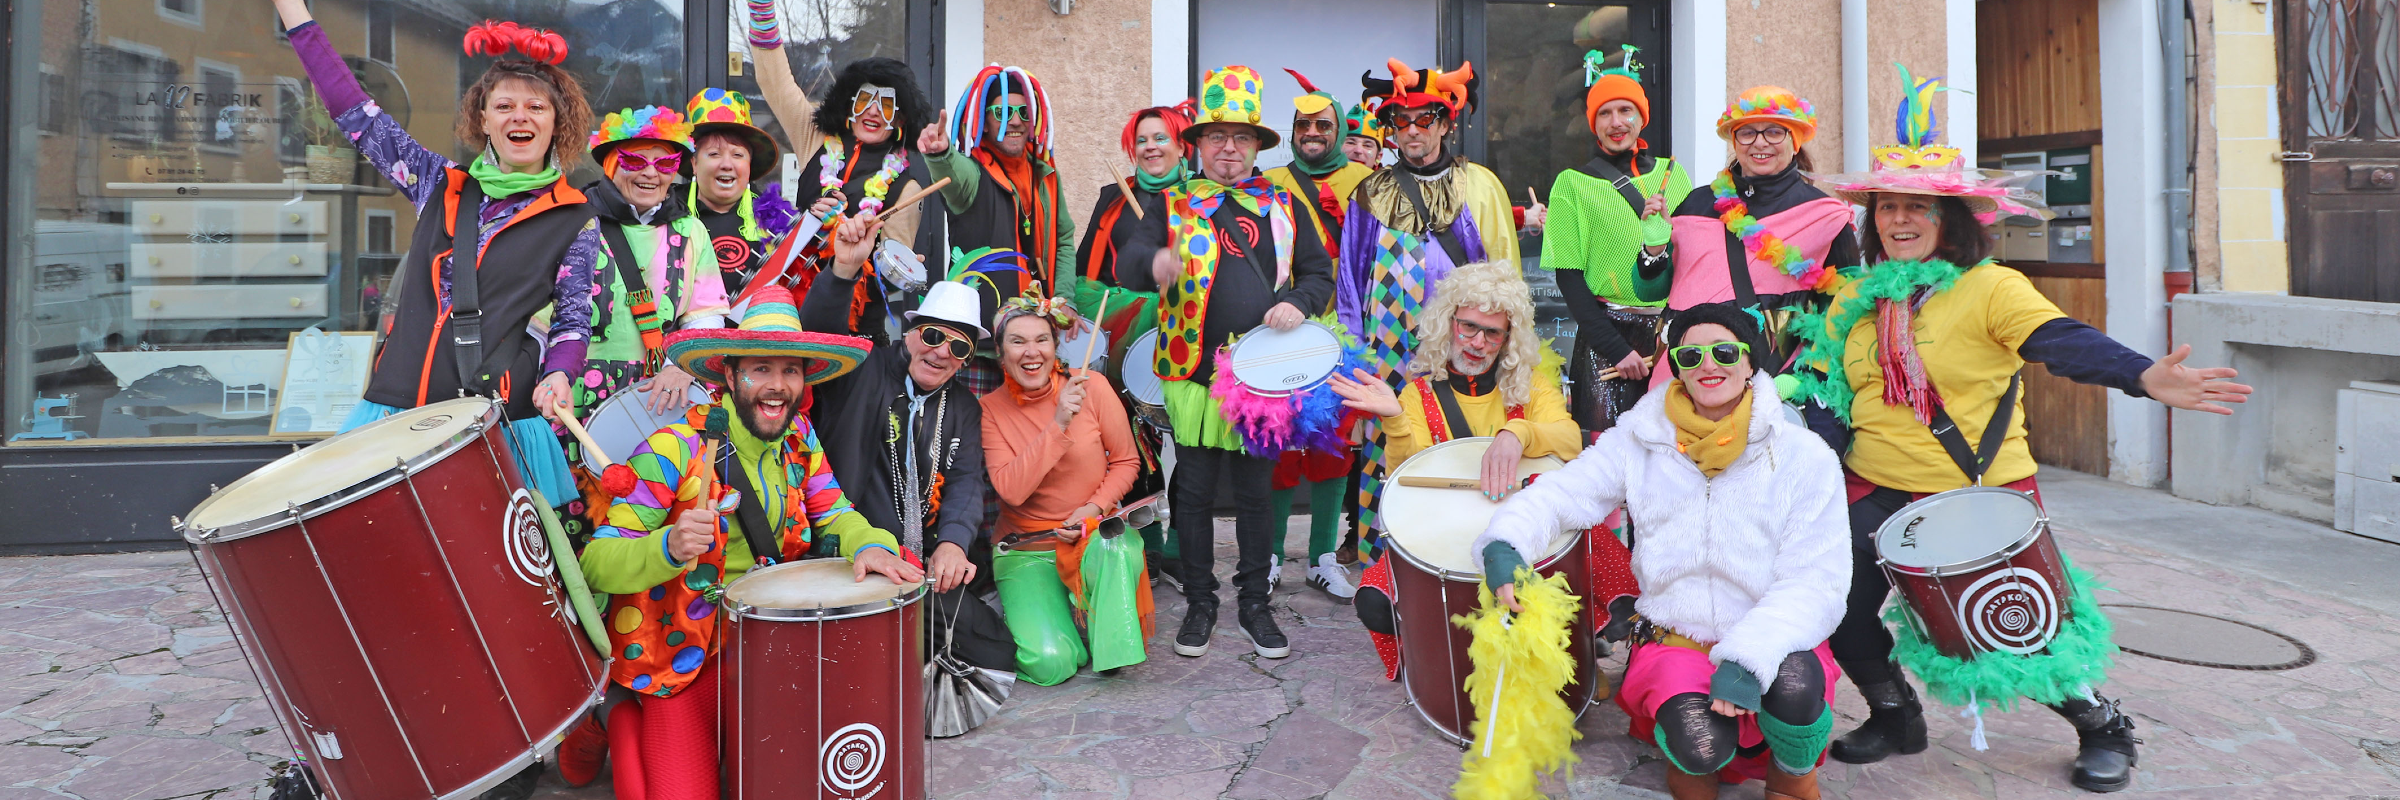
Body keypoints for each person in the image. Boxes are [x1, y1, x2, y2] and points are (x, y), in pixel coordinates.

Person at [1794, 73, 2253, 793]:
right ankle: (1894, 713)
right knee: (1832, 607)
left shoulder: (1991, 288)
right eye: (1888, 208)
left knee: (2008, 631)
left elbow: (2058, 341)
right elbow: (1826, 387)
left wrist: (2139, 375)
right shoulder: (1855, 296)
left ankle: (2103, 726)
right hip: (1875, 486)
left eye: (1919, 207)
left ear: (1954, 220)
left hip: (1971, 494)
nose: (1899, 221)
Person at [555, 285, 921, 797]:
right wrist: (667, 547)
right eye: (760, 369)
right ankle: (607, 718)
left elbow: (834, 511)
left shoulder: (800, 438)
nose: (777, 386)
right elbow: (596, 562)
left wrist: (869, 544)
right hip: (680, 656)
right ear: (729, 376)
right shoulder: (672, 449)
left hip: (771, 645)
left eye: (789, 370)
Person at [1477, 303, 1851, 800]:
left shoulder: (1804, 456)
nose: (1708, 365)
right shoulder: (1639, 439)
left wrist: (1747, 656)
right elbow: (1563, 494)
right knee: (1699, 747)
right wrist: (1506, 542)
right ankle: (1697, 769)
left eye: (1724, 351)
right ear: (1675, 365)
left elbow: (1817, 579)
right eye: (1690, 355)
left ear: (1750, 363)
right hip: (1677, 634)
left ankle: (1792, 773)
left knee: (1796, 688)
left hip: (1774, 629)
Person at [274, 3, 597, 533]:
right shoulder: (438, 184)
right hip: (400, 405)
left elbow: (573, 317)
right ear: (483, 118)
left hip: (495, 419)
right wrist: (295, 14)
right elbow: (352, 109)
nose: (521, 116)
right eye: (505, 105)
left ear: (557, 122)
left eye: (537, 107)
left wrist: (561, 372)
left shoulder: (574, 217)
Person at [1120, 65, 1336, 660]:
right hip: (1191, 374)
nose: (1229, 149)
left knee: (1254, 493)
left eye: (1241, 138)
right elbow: (1128, 260)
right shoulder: (1171, 203)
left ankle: (1254, 604)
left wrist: (1297, 302)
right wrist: (1154, 265)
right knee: (1190, 492)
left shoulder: (1285, 205)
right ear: (1200, 145)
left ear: (1257, 146)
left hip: (1262, 379)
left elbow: (1319, 273)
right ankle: (1200, 602)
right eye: (1217, 137)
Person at [1324, 260, 1594, 682]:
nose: (1477, 342)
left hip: (1519, 534)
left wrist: (1517, 433)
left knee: (1580, 575)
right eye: (1467, 327)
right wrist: (1395, 419)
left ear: (1508, 339)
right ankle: (1447, 656)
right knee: (1375, 603)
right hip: (1443, 532)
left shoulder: (1532, 386)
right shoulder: (1418, 392)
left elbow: (1570, 439)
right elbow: (1404, 478)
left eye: (1492, 332)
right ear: (1447, 324)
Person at [802, 217, 1016, 673]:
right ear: (912, 332)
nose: (941, 353)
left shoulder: (964, 407)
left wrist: (955, 543)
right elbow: (818, 333)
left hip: (916, 568)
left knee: (991, 650)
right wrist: (843, 271)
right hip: (848, 553)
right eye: (934, 336)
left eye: (958, 348)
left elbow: (965, 484)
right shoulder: (861, 368)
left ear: (965, 362)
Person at [1339, 58, 1518, 560]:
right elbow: (1350, 282)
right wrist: (1354, 359)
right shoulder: (1370, 192)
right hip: (1388, 354)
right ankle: (1389, 556)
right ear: (1390, 128)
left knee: (1456, 442)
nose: (1412, 131)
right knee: (1388, 448)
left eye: (1424, 120)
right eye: (1402, 122)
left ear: (1444, 123)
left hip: (1466, 348)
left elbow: (1505, 274)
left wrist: (1506, 346)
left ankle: (1459, 547)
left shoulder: (1479, 184)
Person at [553, 107, 730, 542]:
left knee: (657, 529)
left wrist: (683, 366)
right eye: (635, 161)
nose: (651, 173)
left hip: (659, 399)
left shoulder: (692, 232)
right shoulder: (570, 221)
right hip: (573, 401)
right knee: (577, 531)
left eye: (666, 163)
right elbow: (542, 324)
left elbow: (706, 316)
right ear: (611, 162)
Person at [978, 292, 1153, 683]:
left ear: (1056, 346)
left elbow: (1127, 462)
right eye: (1017, 341)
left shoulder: (1092, 387)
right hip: (1026, 549)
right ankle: (1064, 622)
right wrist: (1057, 424)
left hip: (1092, 539)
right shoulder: (990, 408)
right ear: (1000, 353)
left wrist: (1092, 510)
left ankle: (1104, 642)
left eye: (1041, 339)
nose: (1031, 351)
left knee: (1116, 546)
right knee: (1051, 664)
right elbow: (1012, 490)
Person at [746, 4, 941, 334]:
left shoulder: (905, 187)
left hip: (851, 324)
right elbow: (776, 83)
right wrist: (762, 9)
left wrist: (893, 262)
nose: (874, 111)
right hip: (787, 306)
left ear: (901, 120)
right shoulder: (816, 138)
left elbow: (888, 276)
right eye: (866, 99)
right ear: (850, 104)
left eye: (888, 105)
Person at [1072, 101, 1196, 588]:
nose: (1150, 147)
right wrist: (1140, 304)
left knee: (1191, 446)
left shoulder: (1202, 198)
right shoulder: (1113, 199)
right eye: (1141, 140)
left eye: (1160, 137)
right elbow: (1085, 274)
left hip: (1191, 342)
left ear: (1181, 143)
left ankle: (1187, 548)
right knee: (1135, 447)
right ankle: (1150, 546)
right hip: (1127, 345)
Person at [1261, 68, 1374, 599]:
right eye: (1303, 124)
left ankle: (1324, 555)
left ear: (1339, 127)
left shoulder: (1364, 182)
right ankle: (1272, 555)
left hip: (1346, 333)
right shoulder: (1270, 183)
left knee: (1332, 449)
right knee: (1279, 446)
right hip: (1283, 330)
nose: (1312, 132)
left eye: (1322, 124)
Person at [1544, 46, 1693, 435]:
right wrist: (1618, 350)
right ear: (1593, 123)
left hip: (1669, 335)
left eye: (1625, 110)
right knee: (1607, 459)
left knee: (1672, 451)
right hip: (1605, 341)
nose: (1616, 122)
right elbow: (1570, 280)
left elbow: (1690, 262)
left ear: (1641, 117)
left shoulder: (1673, 176)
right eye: (1604, 113)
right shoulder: (1571, 185)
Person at [1665, 86, 1858, 371]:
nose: (1760, 143)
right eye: (1747, 132)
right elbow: (1650, 290)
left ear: (1795, 142)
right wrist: (1652, 252)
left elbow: (1845, 308)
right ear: (1735, 141)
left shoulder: (1826, 214)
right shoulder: (1696, 202)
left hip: (1779, 376)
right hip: (1691, 369)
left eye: (1774, 131)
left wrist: (1807, 374)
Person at [920, 65, 1077, 311]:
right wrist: (941, 154)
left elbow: (1063, 240)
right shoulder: (974, 174)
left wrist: (1065, 299)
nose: (1015, 121)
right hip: (986, 335)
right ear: (984, 122)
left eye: (1024, 112)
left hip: (1039, 323)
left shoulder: (1045, 174)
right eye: (1002, 112)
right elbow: (955, 173)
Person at [684, 87, 799, 296]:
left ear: (749, 164)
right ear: (694, 163)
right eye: (714, 154)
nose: (727, 164)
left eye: (737, 155)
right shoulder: (664, 214)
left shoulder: (778, 219)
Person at [1340, 103, 1386, 168]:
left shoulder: (1394, 178)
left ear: (1378, 157)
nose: (1358, 150)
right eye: (1350, 143)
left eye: (1367, 145)